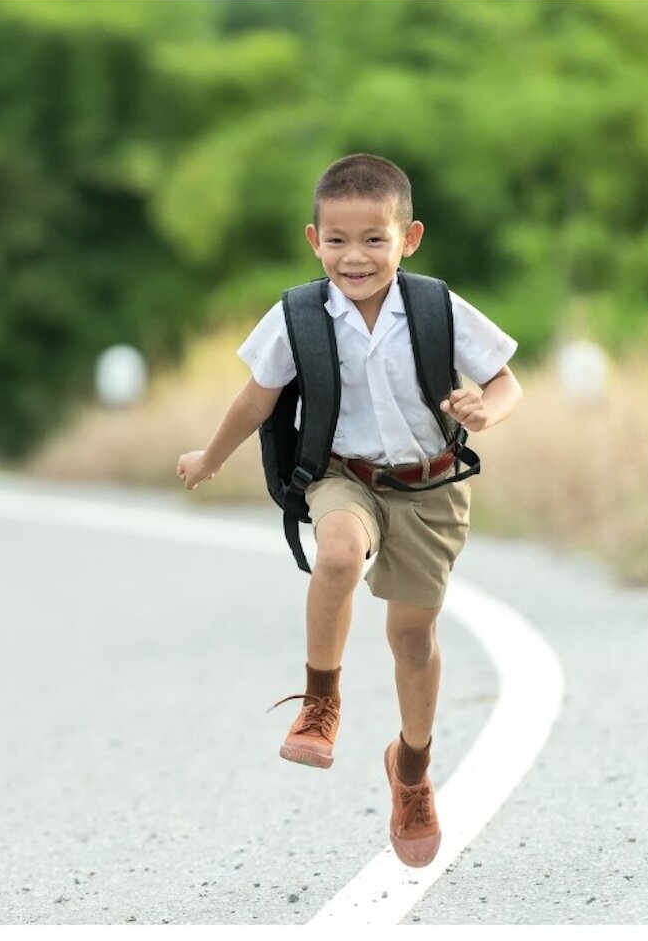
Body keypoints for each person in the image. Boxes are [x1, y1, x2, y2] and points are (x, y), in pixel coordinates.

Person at [176, 153, 523, 867]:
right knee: (336, 554)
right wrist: (210, 456)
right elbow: (257, 397)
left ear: (409, 237)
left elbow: (504, 380)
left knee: (412, 641)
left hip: (430, 488)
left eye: (374, 239)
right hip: (345, 476)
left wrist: (484, 411)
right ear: (314, 240)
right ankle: (321, 703)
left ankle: (412, 767)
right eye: (337, 240)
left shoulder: (435, 308)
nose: (355, 256)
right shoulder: (298, 315)